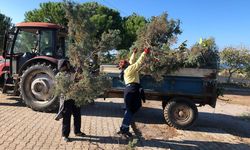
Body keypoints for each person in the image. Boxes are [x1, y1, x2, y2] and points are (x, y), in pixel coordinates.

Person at [117, 47, 150, 138]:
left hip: (130, 90)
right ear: (126, 65)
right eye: (127, 62)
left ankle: (124, 128)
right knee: (131, 110)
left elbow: (131, 62)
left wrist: (134, 53)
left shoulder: (127, 69)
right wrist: (144, 52)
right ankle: (124, 130)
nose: (128, 61)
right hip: (132, 90)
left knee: (129, 110)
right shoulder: (130, 69)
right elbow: (138, 63)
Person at [55, 59, 85, 142]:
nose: (67, 66)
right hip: (66, 98)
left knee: (77, 115)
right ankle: (65, 135)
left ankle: (77, 131)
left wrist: (79, 73)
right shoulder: (59, 76)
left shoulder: (72, 72)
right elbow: (60, 87)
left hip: (75, 97)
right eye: (65, 65)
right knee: (66, 117)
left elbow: (79, 79)